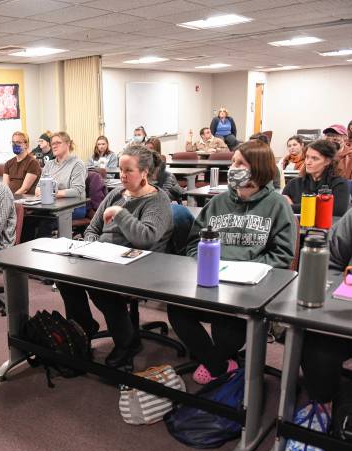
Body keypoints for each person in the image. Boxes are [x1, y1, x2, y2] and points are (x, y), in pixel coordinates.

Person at [167, 140, 296, 384]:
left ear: (257, 168)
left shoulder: (278, 205)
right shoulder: (218, 202)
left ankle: (216, 361)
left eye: (240, 163)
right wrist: (203, 263)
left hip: (248, 287)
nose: (233, 167)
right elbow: (194, 243)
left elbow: (282, 255)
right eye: (233, 162)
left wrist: (249, 269)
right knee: (177, 309)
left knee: (227, 329)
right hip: (211, 280)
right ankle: (220, 365)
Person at [57, 145, 173, 371]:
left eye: (128, 170)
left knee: (100, 286)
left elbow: (146, 238)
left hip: (141, 262)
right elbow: (92, 228)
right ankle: (84, 329)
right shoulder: (115, 194)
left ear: (145, 173)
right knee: (65, 278)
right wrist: (91, 247)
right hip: (104, 258)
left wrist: (121, 214)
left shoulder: (158, 201)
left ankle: (127, 342)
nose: (122, 175)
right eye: (120, 170)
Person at [300, 208, 352, 416]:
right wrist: (333, 295)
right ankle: (322, 406)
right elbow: (332, 261)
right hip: (346, 311)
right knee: (316, 342)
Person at [23, 131, 86, 240]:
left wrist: (52, 194)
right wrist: (46, 193)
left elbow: (77, 191)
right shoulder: (49, 164)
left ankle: (44, 254)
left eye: (58, 142)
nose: (54, 146)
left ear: (68, 144)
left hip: (73, 207)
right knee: (27, 220)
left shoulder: (77, 164)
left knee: (44, 223)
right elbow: (38, 189)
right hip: (49, 206)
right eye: (53, 143)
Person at [282, 139, 350, 217]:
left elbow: (337, 211)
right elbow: (281, 208)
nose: (308, 162)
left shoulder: (339, 184)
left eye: (314, 158)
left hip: (327, 228)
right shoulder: (294, 183)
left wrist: (293, 207)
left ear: (327, 161)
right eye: (307, 157)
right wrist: (319, 206)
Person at [145, 137, 183, 202]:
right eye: (146, 148)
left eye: (151, 148)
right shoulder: (143, 159)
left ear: (156, 149)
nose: (148, 151)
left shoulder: (160, 160)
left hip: (167, 185)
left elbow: (157, 179)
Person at [3, 130, 41, 195]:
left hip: (24, 199)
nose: (15, 145)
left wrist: (11, 199)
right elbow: (5, 187)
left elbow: (24, 189)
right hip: (10, 199)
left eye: (18, 142)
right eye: (13, 142)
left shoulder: (33, 163)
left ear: (26, 144)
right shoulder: (8, 163)